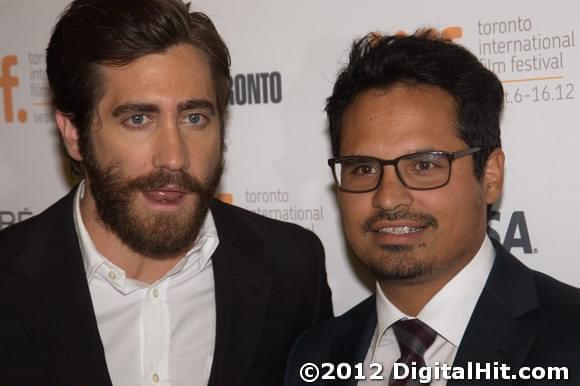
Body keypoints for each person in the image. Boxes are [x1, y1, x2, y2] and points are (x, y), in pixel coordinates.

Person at [0, 0, 332, 385]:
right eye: (138, 119)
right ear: (74, 134)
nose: (174, 157)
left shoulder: (292, 268)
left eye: (194, 118)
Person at [284, 30, 580, 385]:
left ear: (490, 176)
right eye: (363, 168)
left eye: (424, 165)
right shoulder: (314, 355)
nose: (388, 198)